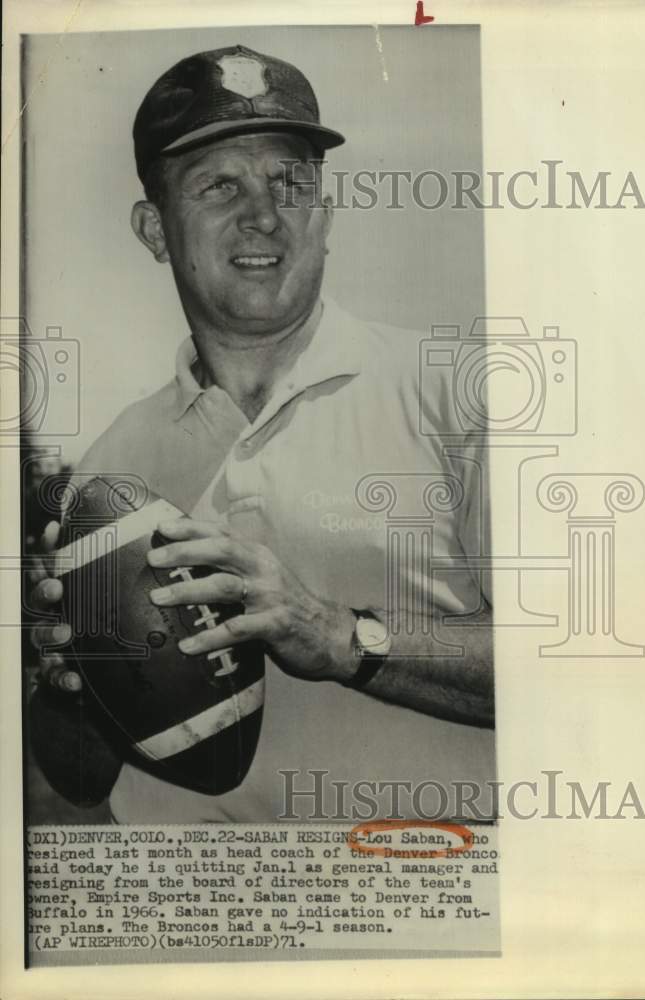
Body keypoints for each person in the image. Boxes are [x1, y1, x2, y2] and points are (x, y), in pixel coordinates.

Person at [28, 44, 494, 823]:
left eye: (290, 183)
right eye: (219, 185)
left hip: (416, 910)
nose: (264, 216)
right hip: (197, 919)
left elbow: (577, 676)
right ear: (153, 228)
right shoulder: (111, 465)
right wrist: (61, 681)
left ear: (325, 214)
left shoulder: (459, 390)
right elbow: (82, 780)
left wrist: (339, 636)